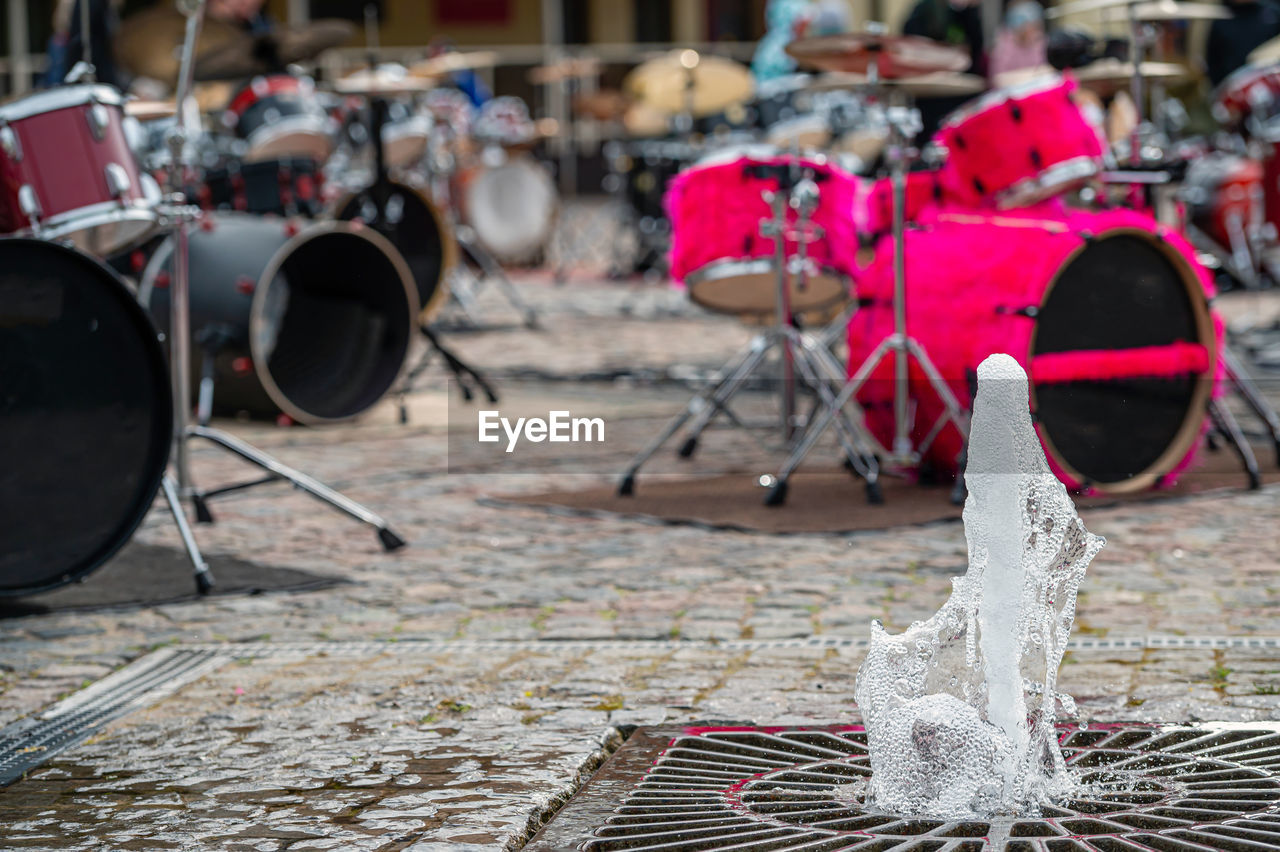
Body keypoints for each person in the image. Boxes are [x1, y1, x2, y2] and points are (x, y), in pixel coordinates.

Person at [1206, 0, 1280, 86]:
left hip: (1270, 81)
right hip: (1234, 86)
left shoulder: (1272, 12)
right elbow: (1213, 65)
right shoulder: (1219, 18)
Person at [989, 0, 1048, 82]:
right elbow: (997, 79)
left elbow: (1046, 69)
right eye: (1031, 26)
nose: (1035, 30)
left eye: (1037, 26)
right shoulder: (1005, 44)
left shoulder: (1040, 42)